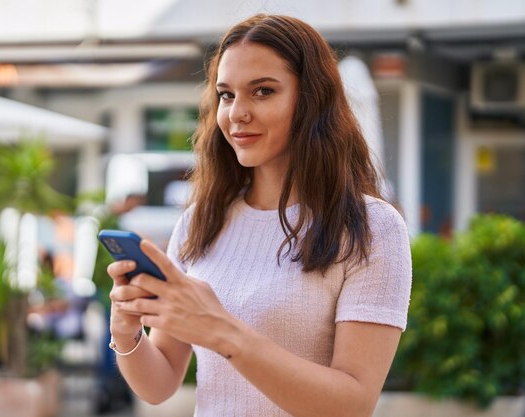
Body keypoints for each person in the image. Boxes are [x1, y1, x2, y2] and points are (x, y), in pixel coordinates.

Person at [107, 13, 412, 417]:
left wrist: (223, 332)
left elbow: (352, 405)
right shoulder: (201, 221)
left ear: (310, 99)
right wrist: (126, 331)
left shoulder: (372, 228)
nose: (237, 113)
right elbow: (160, 384)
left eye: (263, 91)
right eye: (227, 95)